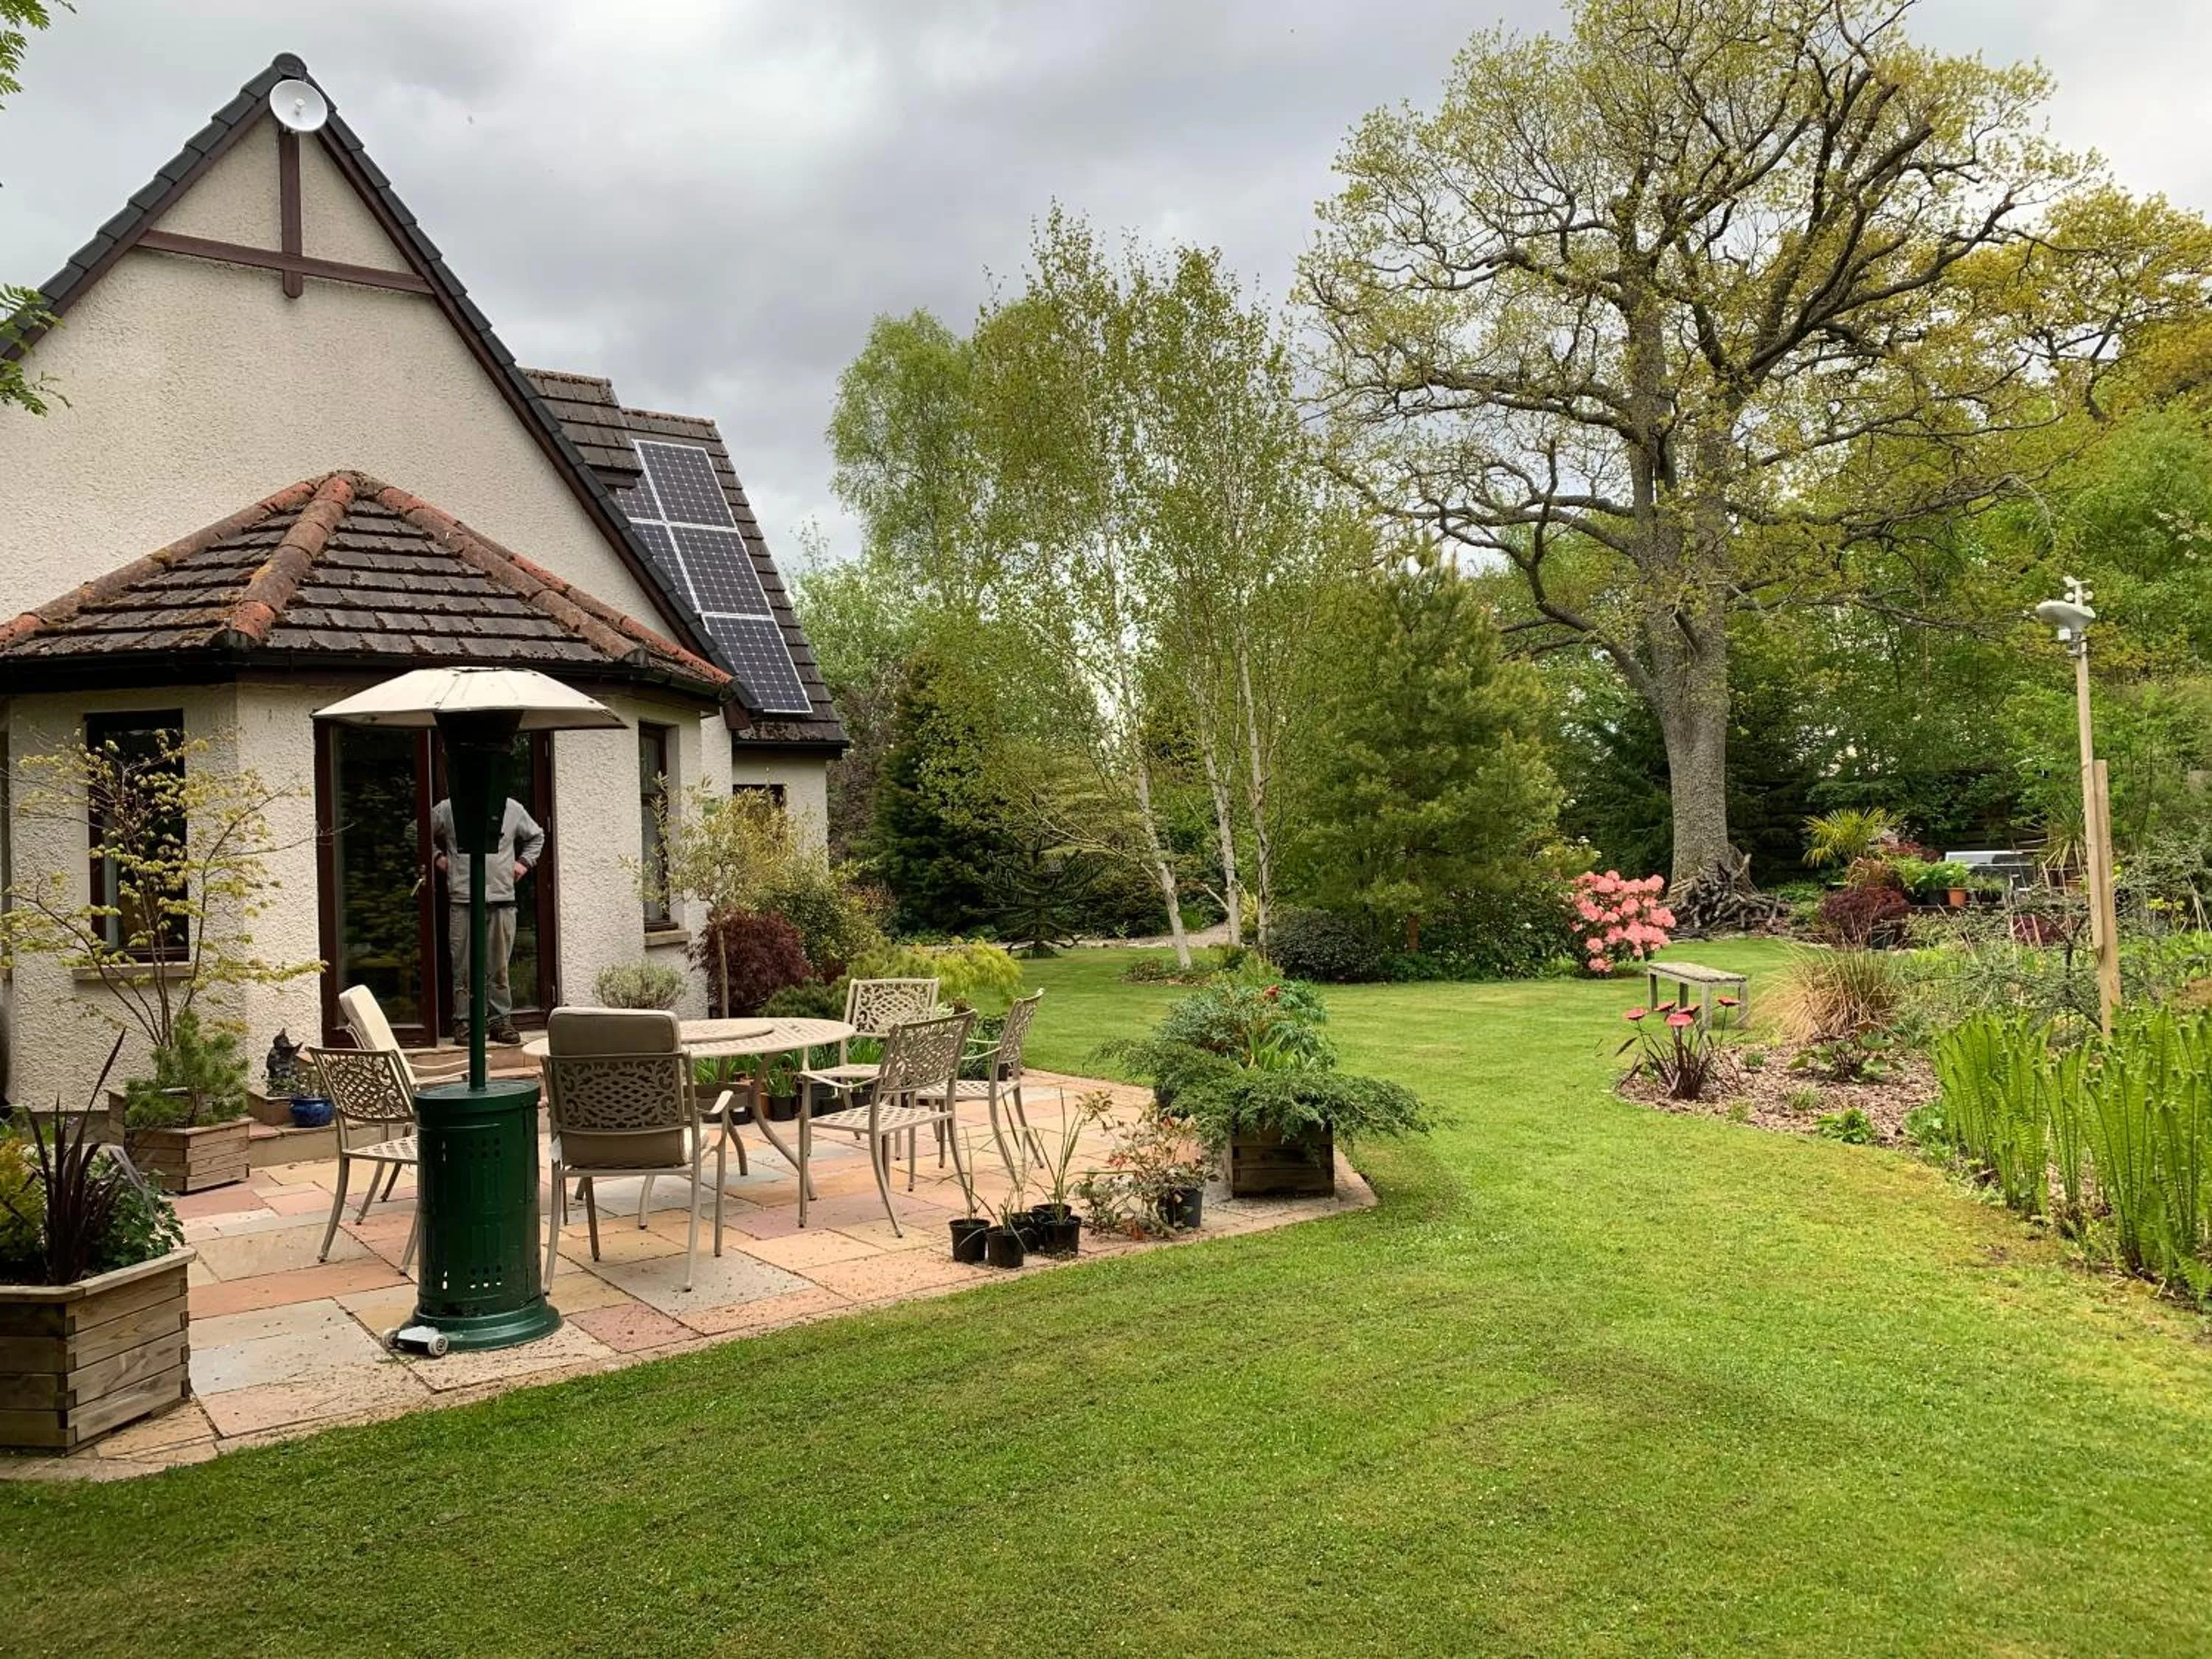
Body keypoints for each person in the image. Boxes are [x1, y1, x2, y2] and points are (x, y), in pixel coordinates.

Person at [430, 794, 545, 1046]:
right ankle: (465, 1022)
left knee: (499, 967)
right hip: (463, 899)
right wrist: (437, 857)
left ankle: (500, 1023)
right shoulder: (450, 808)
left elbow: (537, 836)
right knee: (463, 966)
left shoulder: (511, 808)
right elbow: (415, 831)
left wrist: (523, 863)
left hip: (501, 898)